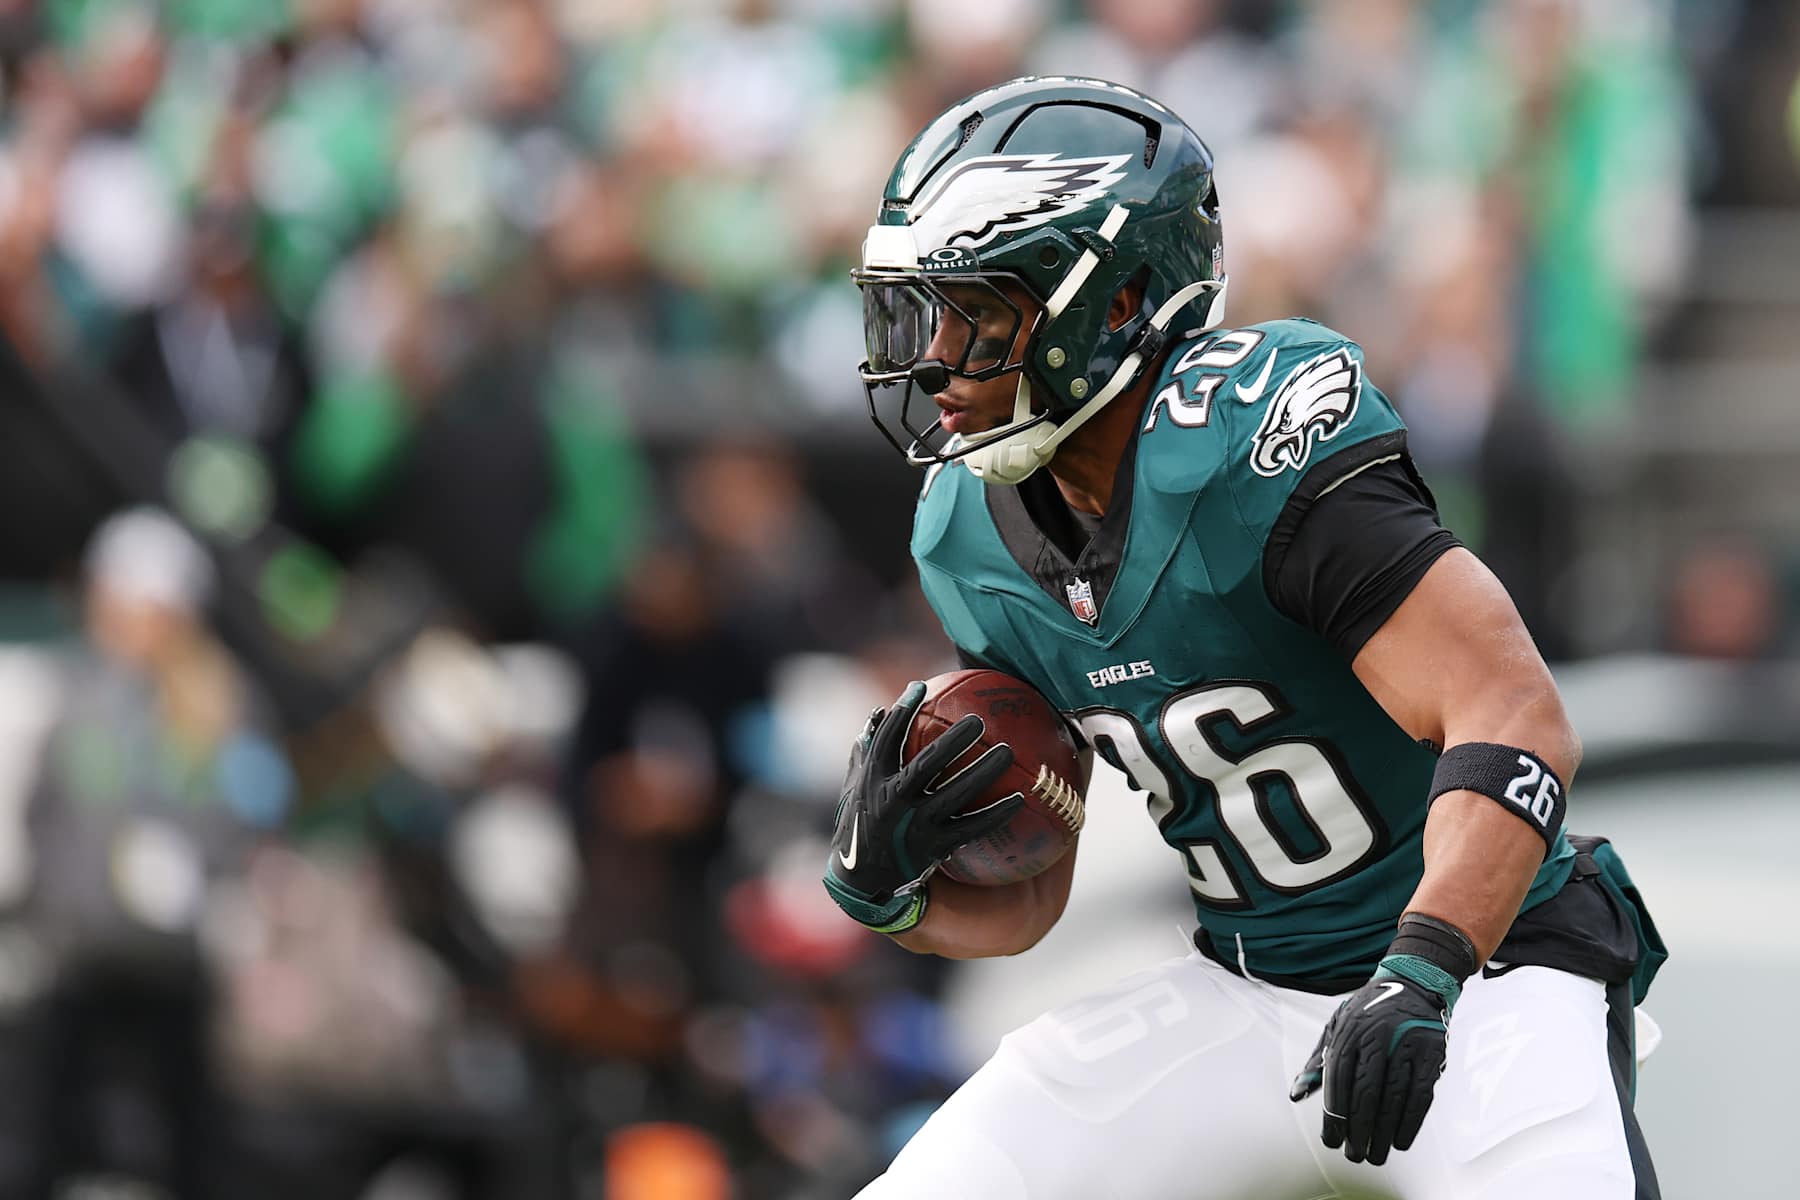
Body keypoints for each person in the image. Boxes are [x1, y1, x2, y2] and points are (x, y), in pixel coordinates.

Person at [822, 77, 1665, 1199]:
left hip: (1485, 970)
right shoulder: (965, 531)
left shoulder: (1251, 441)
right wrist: (893, 891)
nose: (934, 356)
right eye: (925, 311)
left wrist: (1423, 971)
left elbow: (1515, 718)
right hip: (1249, 983)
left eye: (978, 310)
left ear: (1115, 303)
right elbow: (1035, 885)